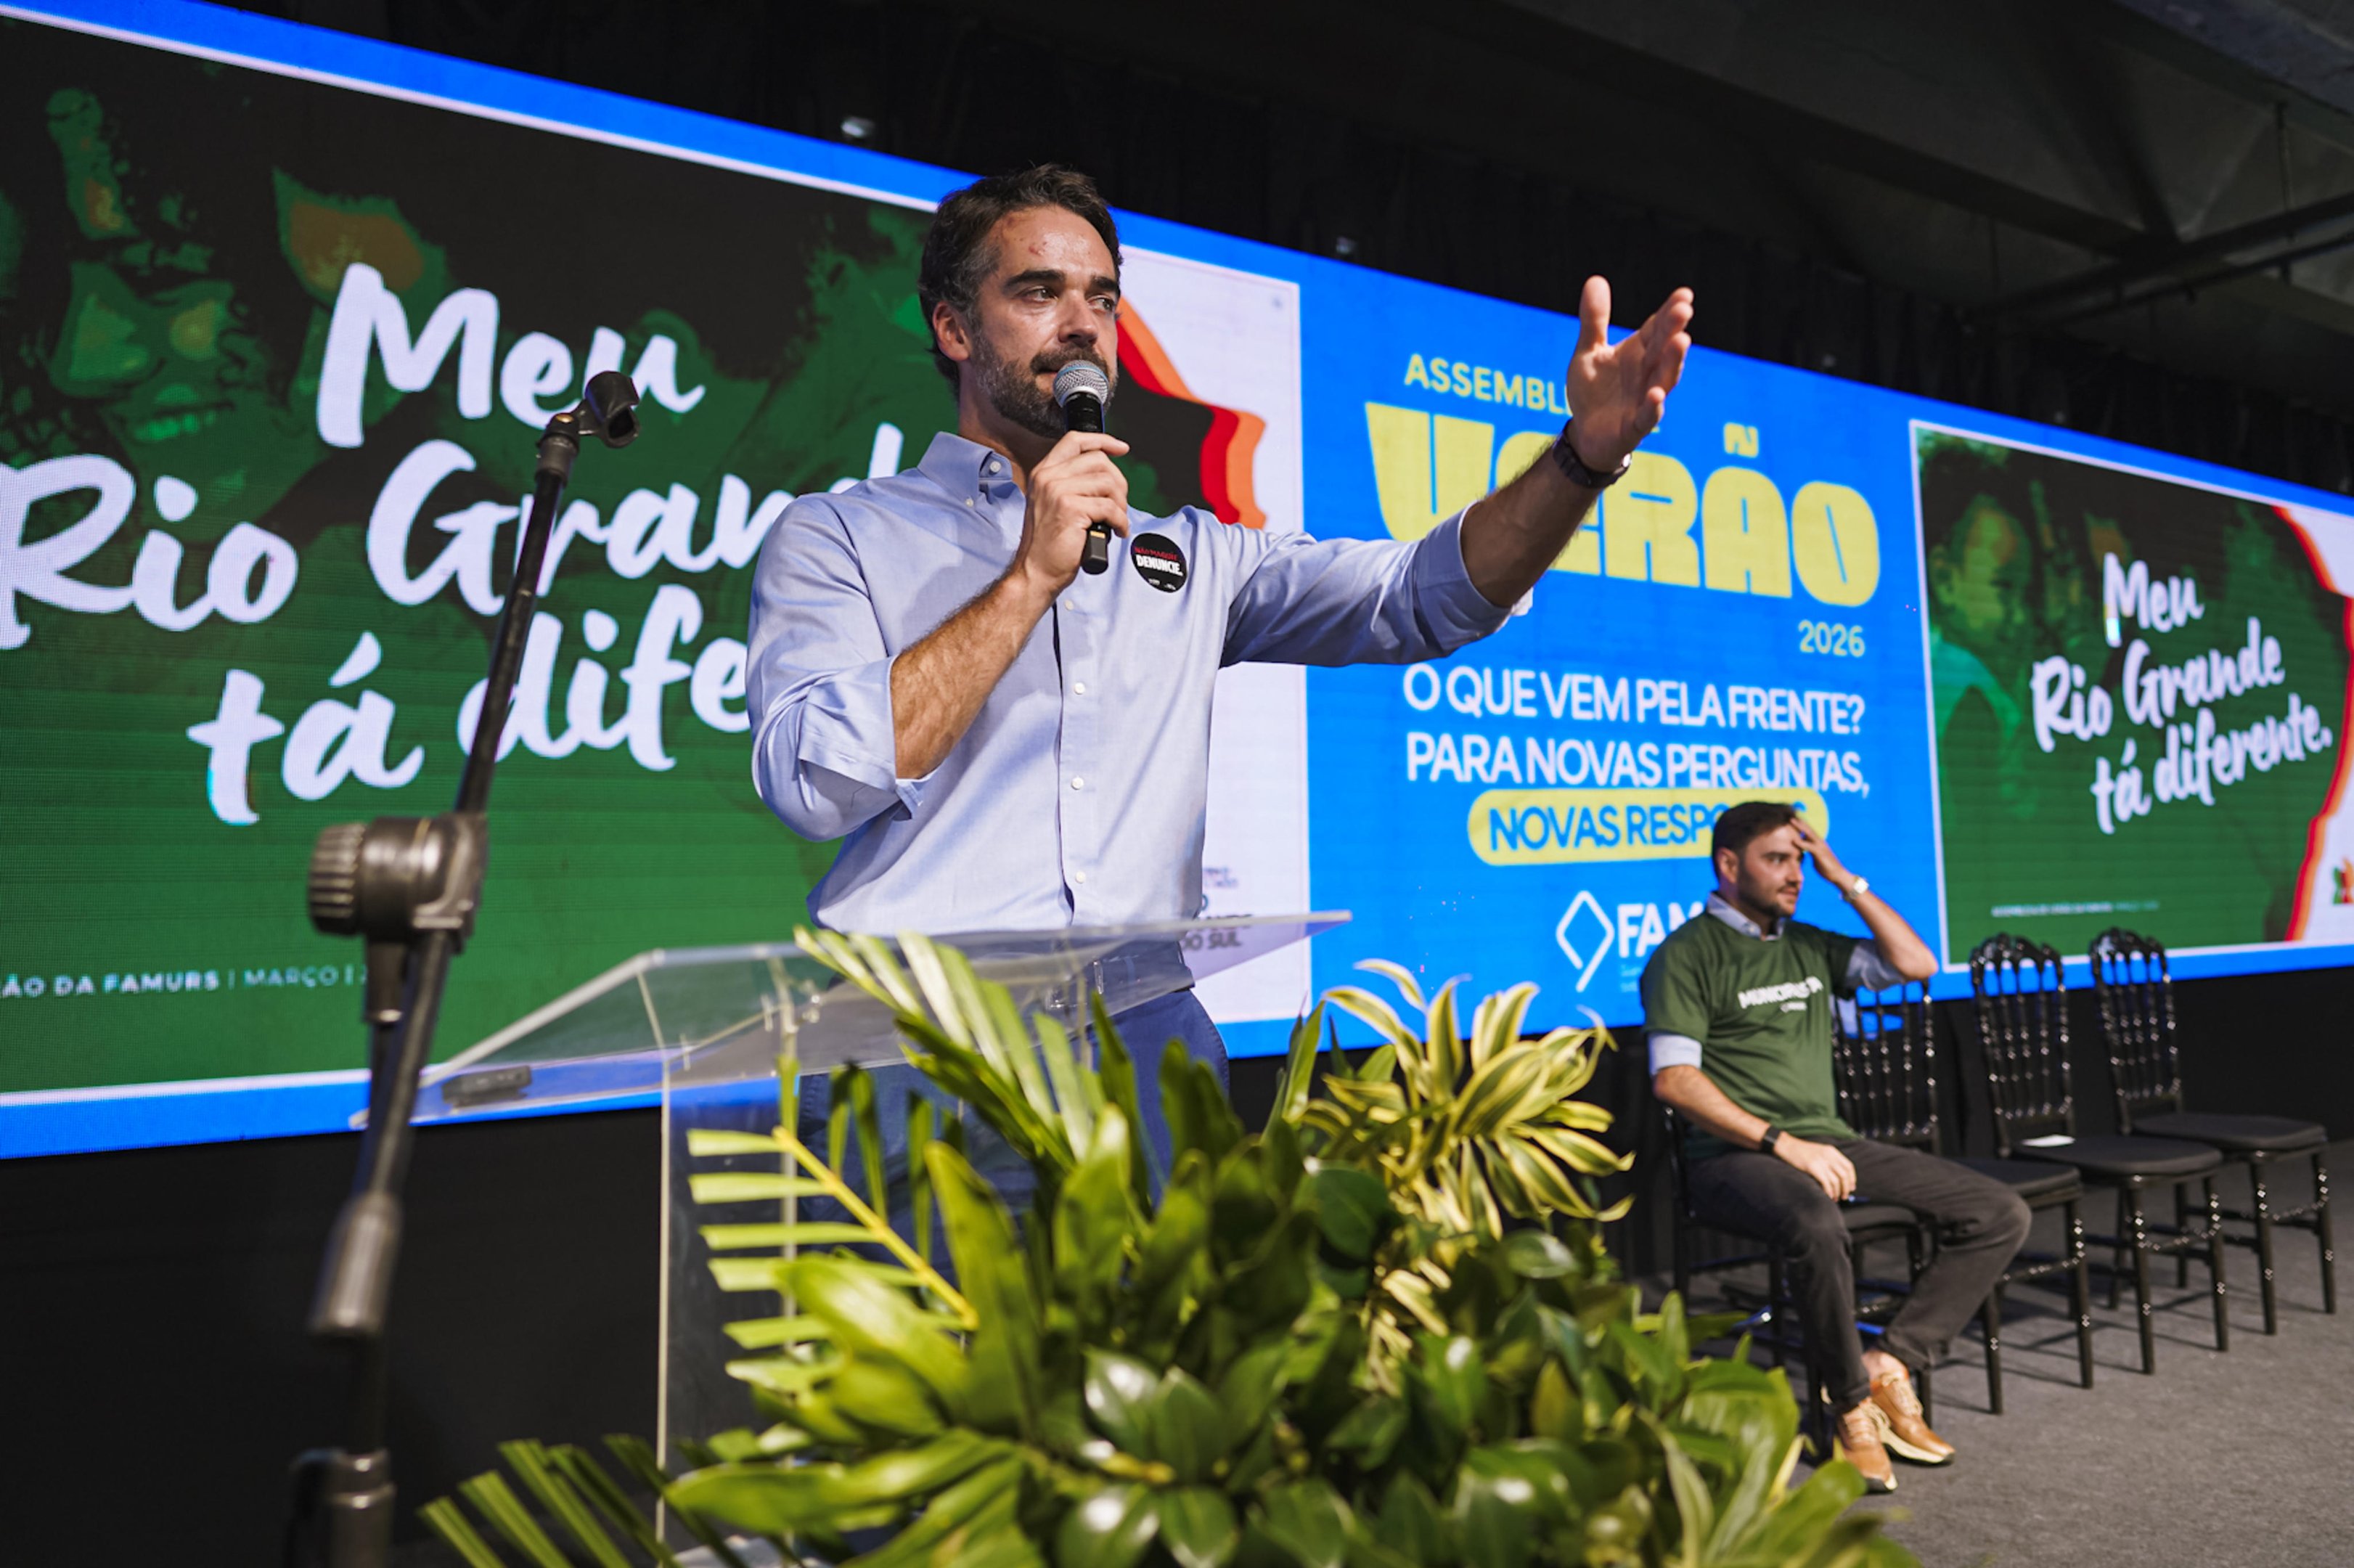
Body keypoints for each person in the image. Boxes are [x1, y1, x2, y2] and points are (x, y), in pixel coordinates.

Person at [748, 163, 1693, 1163]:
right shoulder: (836, 537)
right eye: (1038, 291)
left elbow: (1425, 597)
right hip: (917, 1058)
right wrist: (1028, 576)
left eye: (1101, 298)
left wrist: (1580, 461)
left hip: (1147, 1054)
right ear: (951, 327)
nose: (1081, 324)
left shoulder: (1189, 554)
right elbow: (814, 783)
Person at [1644, 800, 2031, 1493]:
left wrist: (1841, 876)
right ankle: (1850, 1406)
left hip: (1828, 1141)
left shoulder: (1809, 944)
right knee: (1816, 1223)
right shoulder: (1685, 954)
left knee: (1997, 1211)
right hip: (1731, 1159)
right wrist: (1778, 1141)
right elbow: (1674, 1081)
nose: (1793, 874)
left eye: (1799, 859)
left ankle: (1889, 1364)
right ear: (1728, 866)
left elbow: (1915, 964)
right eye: (1777, 859)